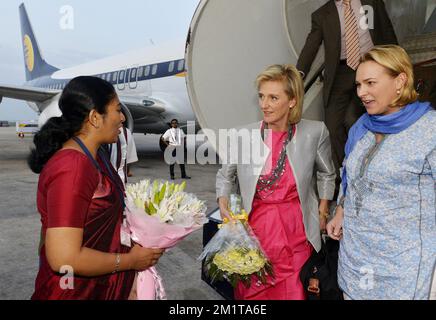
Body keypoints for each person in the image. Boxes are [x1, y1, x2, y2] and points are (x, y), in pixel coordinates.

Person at [28, 76, 164, 300]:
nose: (122, 118)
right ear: (94, 118)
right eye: (117, 110)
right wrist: (131, 261)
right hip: (73, 290)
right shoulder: (73, 167)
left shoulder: (96, 156)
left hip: (98, 283)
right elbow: (64, 258)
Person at [216, 64, 336, 300]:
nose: (264, 104)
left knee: (295, 292)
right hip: (256, 231)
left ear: (292, 101)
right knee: (254, 294)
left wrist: (322, 210)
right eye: (261, 96)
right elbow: (225, 174)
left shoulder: (315, 132)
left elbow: (327, 173)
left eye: (273, 97)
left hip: (298, 233)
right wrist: (222, 200)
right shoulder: (243, 135)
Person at [327, 45, 435, 299]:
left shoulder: (429, 130)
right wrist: (340, 210)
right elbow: (351, 176)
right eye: (358, 85)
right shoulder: (361, 127)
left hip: (406, 270)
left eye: (370, 83)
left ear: (400, 81)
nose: (362, 93)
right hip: (356, 261)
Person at [296, 0, 398, 195]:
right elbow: (310, 47)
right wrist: (297, 76)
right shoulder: (322, 14)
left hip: (371, 67)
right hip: (340, 74)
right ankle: (346, 175)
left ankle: (367, 171)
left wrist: (398, 63)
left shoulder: (371, 2)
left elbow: (387, 30)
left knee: (353, 120)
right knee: (333, 127)